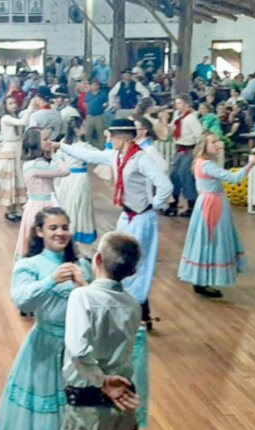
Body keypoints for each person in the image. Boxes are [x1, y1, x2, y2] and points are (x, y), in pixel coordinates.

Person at [0, 208, 93, 430]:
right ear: (39, 232)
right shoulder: (29, 265)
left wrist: (83, 285)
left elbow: (96, 307)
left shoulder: (83, 265)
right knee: (46, 414)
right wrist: (50, 281)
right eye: (53, 228)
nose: (60, 233)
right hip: (45, 348)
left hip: (78, 351)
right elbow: (22, 301)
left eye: (64, 227)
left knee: (78, 413)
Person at [57, 120, 172, 329]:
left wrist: (154, 205)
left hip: (142, 217)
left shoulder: (140, 159)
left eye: (112, 136)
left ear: (125, 137)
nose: (108, 140)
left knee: (137, 264)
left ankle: (139, 314)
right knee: (118, 257)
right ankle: (129, 311)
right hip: (127, 215)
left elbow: (164, 185)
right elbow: (89, 156)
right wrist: (60, 146)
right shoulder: (116, 156)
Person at [59, 232, 144, 430]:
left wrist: (101, 380)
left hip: (88, 403)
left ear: (96, 259)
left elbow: (79, 349)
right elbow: (105, 308)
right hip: (123, 402)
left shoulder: (80, 298)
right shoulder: (132, 304)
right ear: (132, 270)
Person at [178, 133, 255, 298]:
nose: (218, 144)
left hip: (207, 201)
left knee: (205, 240)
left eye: (218, 141)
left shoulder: (200, 162)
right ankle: (205, 279)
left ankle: (202, 279)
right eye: (213, 142)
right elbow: (234, 178)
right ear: (204, 145)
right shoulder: (207, 164)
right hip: (213, 204)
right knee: (213, 240)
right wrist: (252, 163)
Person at [16, 128, 73, 259]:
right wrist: (54, 154)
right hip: (42, 205)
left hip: (37, 203)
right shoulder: (37, 165)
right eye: (45, 139)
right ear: (35, 142)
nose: (49, 142)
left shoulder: (31, 163)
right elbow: (65, 170)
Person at [53, 124, 97, 253]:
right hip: (80, 178)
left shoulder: (63, 143)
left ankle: (69, 232)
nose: (86, 127)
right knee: (80, 206)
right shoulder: (84, 146)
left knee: (68, 205)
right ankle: (78, 235)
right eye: (83, 126)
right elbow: (98, 156)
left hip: (67, 177)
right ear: (77, 129)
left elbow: (57, 158)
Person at [166, 95, 203, 217]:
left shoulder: (191, 118)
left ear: (187, 104)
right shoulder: (177, 116)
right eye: (177, 104)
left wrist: (197, 153)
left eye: (180, 103)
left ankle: (191, 204)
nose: (178, 106)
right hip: (179, 148)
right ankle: (173, 203)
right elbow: (171, 131)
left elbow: (199, 136)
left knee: (185, 175)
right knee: (174, 174)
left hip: (189, 149)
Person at [0, 98, 28, 222]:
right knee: (10, 179)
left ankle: (16, 208)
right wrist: (31, 107)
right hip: (9, 150)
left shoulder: (14, 117)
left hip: (18, 149)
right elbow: (23, 122)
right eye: (10, 103)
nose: (13, 105)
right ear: (5, 106)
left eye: (14, 103)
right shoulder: (5, 118)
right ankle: (9, 209)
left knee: (18, 179)